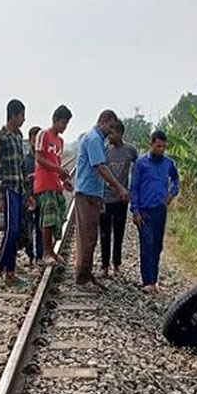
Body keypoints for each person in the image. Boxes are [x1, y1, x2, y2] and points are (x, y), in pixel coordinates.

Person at [73, 110, 130, 292]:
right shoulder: (94, 139)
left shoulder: (97, 139)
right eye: (111, 126)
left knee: (90, 236)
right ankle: (82, 279)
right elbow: (101, 168)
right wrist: (119, 188)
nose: (111, 131)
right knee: (87, 237)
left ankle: (87, 274)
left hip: (93, 194)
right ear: (103, 121)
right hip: (86, 194)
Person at [0, 99, 33, 288]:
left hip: (18, 189)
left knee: (16, 233)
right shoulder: (0, 138)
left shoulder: (18, 137)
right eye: (22, 115)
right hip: (7, 189)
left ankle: (10, 272)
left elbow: (22, 167)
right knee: (11, 231)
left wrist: (28, 194)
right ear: (14, 115)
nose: (24, 119)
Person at [131, 130, 180, 294]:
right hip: (144, 211)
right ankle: (148, 282)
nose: (161, 149)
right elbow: (135, 188)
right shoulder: (141, 163)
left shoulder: (168, 163)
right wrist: (135, 211)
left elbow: (176, 179)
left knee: (157, 246)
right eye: (158, 146)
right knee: (147, 245)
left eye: (163, 147)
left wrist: (172, 193)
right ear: (151, 144)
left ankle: (154, 280)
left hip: (160, 210)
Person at [34, 105, 73, 266]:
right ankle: (46, 253)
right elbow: (39, 158)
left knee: (56, 219)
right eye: (63, 123)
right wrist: (59, 169)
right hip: (44, 183)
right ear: (55, 120)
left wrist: (65, 180)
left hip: (55, 184)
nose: (64, 127)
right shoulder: (43, 134)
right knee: (48, 220)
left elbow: (57, 162)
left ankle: (51, 252)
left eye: (66, 124)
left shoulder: (60, 141)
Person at [100, 120, 139, 278]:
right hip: (105, 198)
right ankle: (104, 266)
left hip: (121, 200)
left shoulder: (130, 150)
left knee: (119, 233)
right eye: (109, 132)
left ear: (121, 134)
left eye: (113, 133)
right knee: (104, 234)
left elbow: (139, 167)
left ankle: (116, 264)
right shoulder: (104, 150)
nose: (110, 136)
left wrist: (132, 190)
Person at [22, 127, 43, 266]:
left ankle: (40, 255)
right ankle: (30, 255)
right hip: (29, 197)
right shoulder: (25, 159)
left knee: (41, 228)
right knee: (28, 229)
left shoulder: (43, 159)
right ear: (30, 140)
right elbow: (21, 178)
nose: (37, 142)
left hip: (41, 197)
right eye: (35, 139)